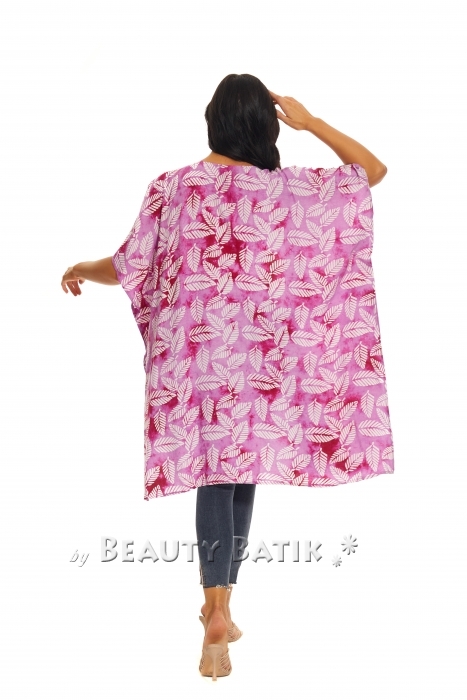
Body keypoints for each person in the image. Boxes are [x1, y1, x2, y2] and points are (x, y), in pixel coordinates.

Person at [61, 74, 389, 680]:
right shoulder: (287, 189)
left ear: (212, 119)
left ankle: (216, 605)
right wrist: (311, 122)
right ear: (265, 125)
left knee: (219, 470)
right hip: (265, 360)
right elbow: (372, 171)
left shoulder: (174, 187)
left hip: (197, 361)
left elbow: (130, 264)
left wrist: (81, 265)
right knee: (239, 469)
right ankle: (220, 604)